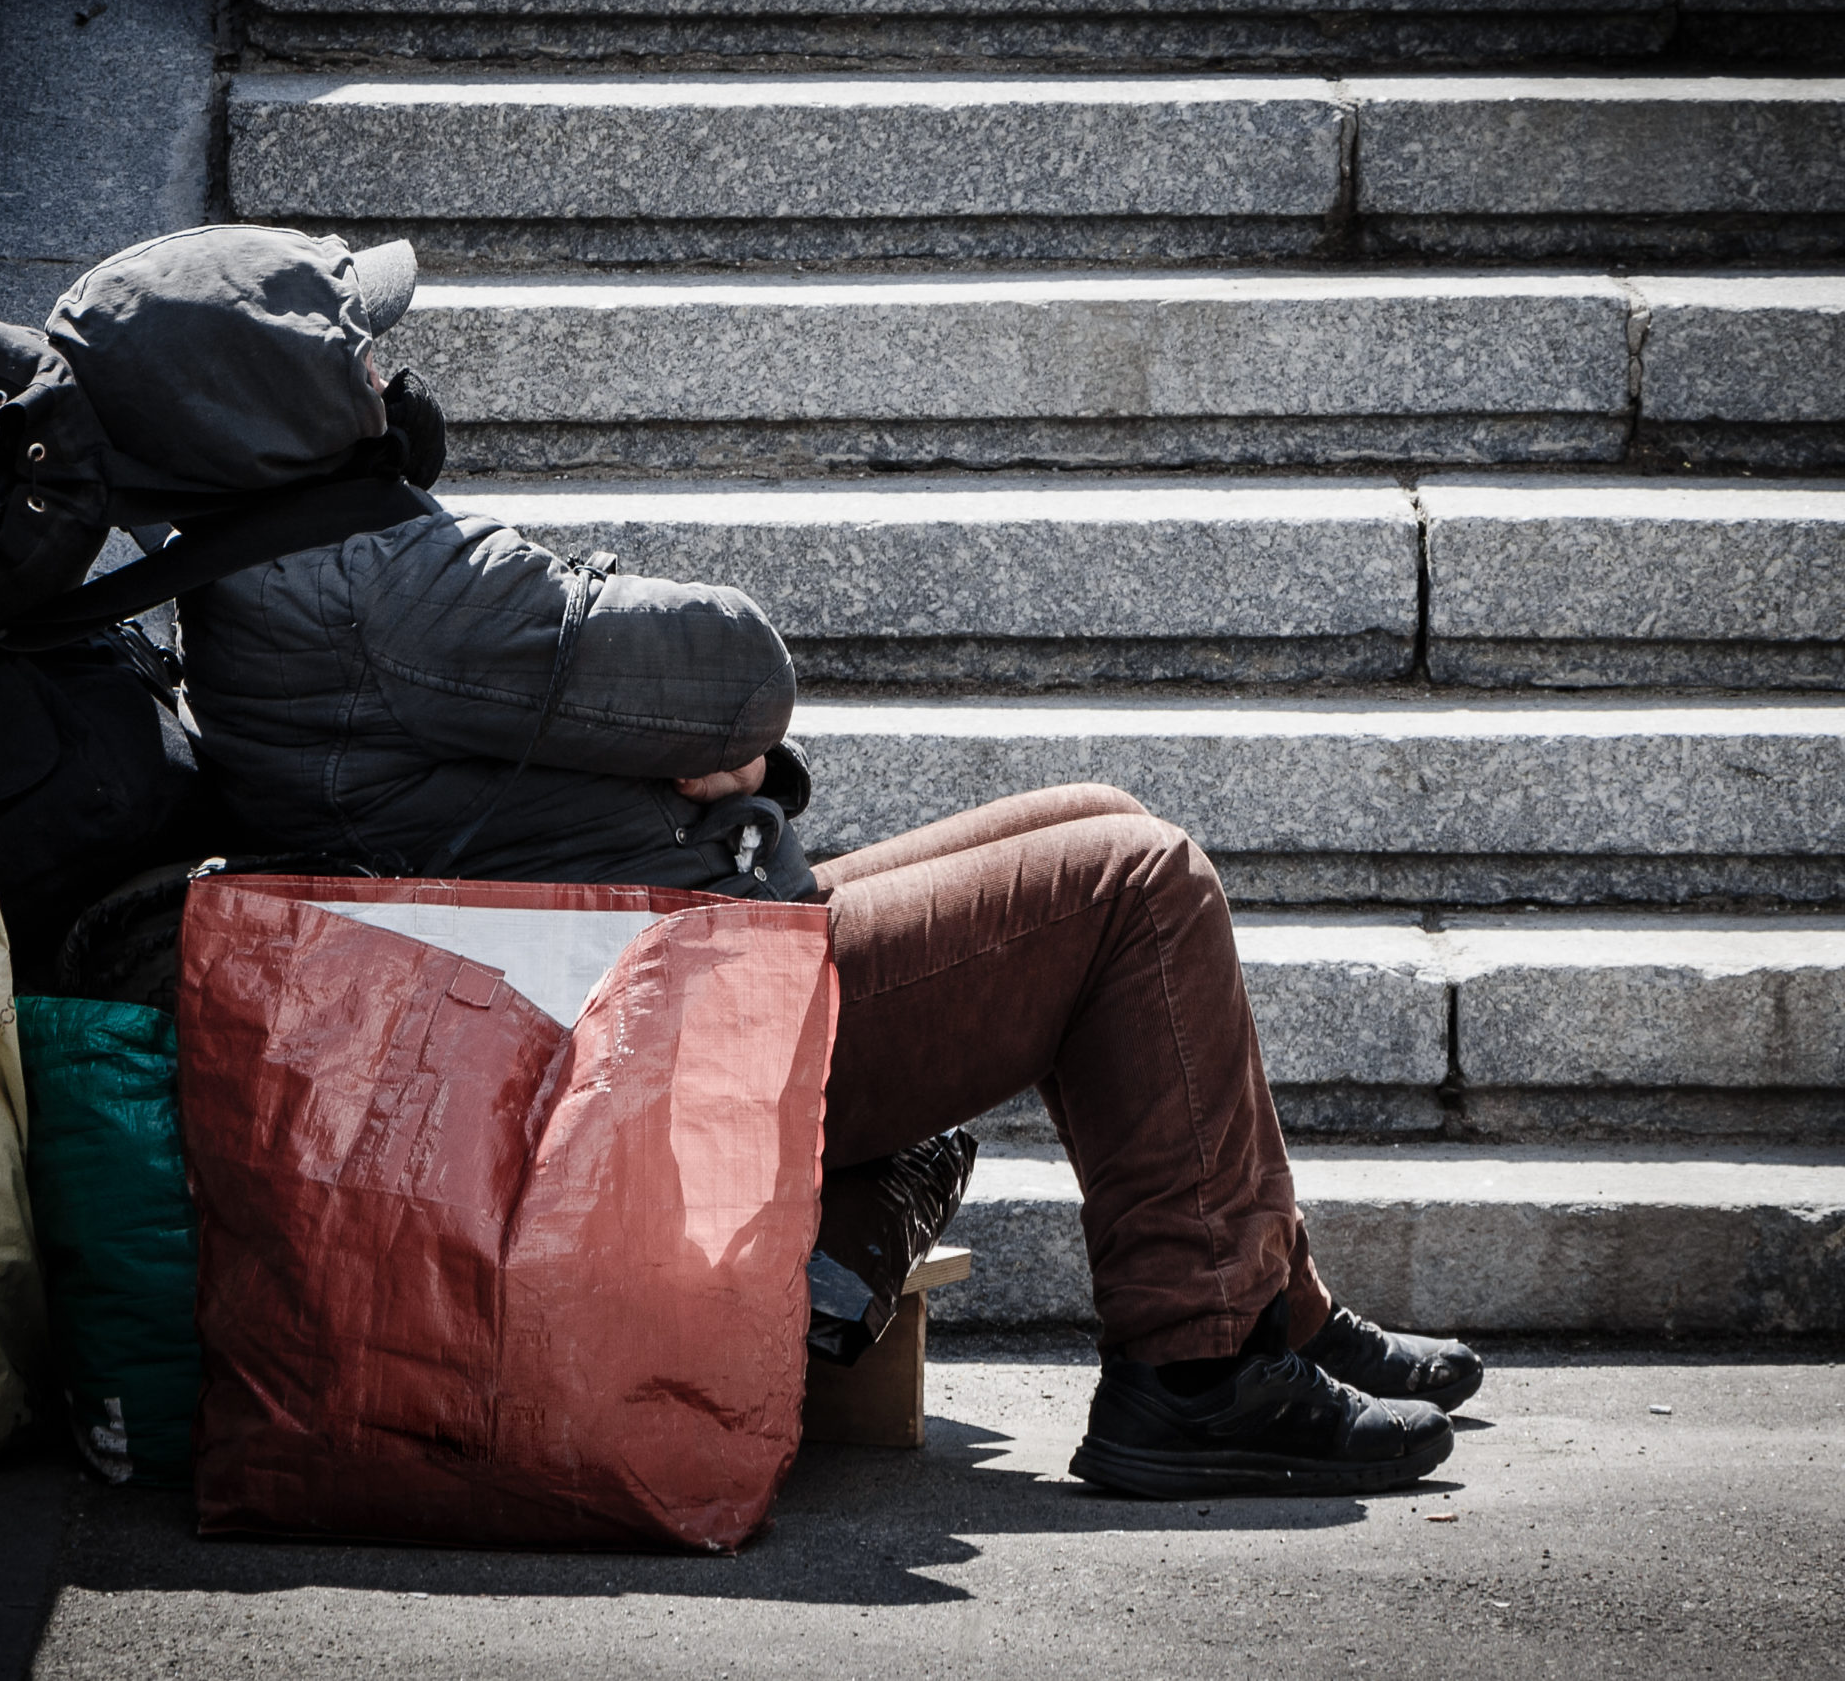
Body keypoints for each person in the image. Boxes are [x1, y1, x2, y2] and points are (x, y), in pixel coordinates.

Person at [175, 276, 1480, 1502]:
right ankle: (1198, 1374)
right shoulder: (378, 584)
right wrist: (709, 745)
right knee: (1141, 883)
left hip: (656, 959)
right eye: (357, 354)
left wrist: (701, 755)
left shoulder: (288, 572)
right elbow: (738, 673)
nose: (388, 375)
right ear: (283, 411)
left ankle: (1272, 1309)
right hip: (663, 1025)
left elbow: (647, 720)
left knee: (1102, 817)